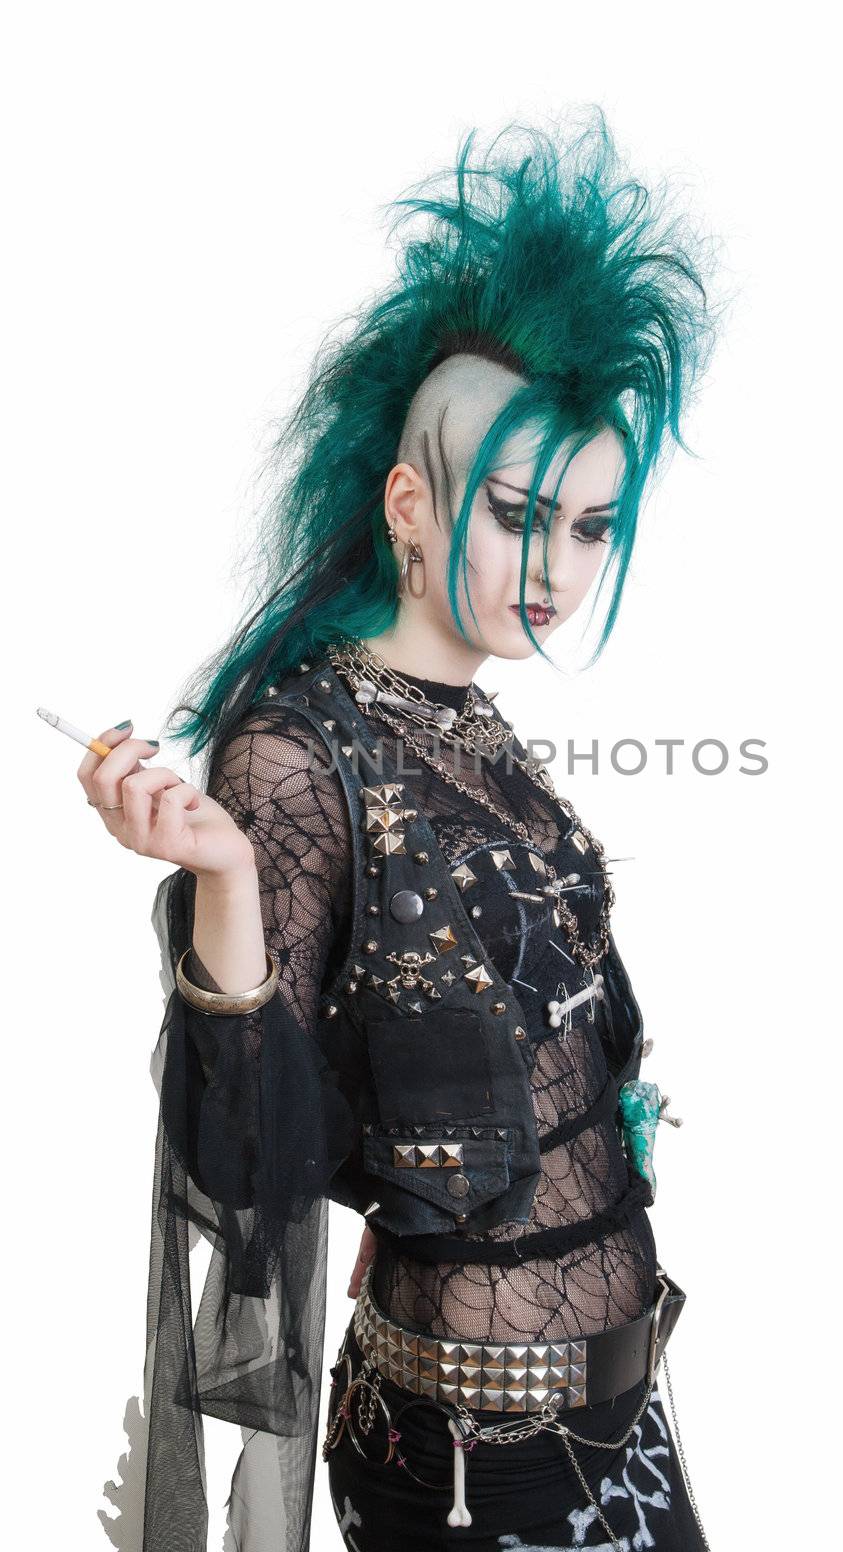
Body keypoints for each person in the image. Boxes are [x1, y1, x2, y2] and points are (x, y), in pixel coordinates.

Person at [82, 109, 720, 1551]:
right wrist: (227, 884)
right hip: (467, 1453)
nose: (554, 571)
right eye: (517, 515)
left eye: (593, 528)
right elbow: (247, 1173)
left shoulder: (471, 724)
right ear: (410, 505)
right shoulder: (298, 750)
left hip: (616, 1414)